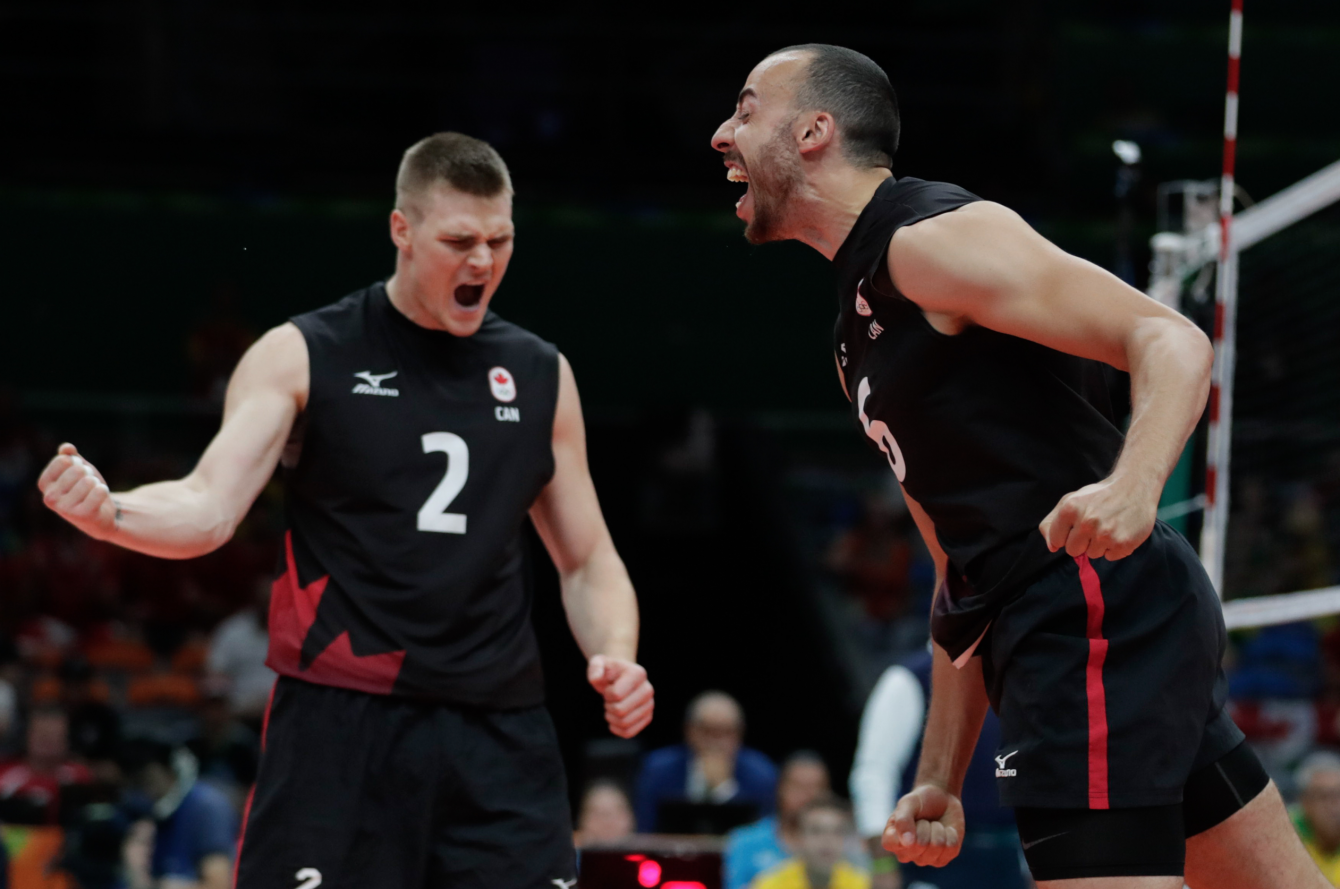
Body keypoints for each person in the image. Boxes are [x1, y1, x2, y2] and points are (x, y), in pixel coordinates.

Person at [710, 44, 1325, 888]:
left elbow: (1170, 337)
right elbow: (955, 573)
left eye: (746, 109)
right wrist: (939, 771)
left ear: (814, 131)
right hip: (1072, 627)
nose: (722, 133)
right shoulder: (855, 342)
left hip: (1088, 611)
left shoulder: (928, 239)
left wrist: (1135, 483)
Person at [37, 131, 654, 889]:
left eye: (500, 241)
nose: (483, 262)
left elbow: (587, 559)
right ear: (402, 229)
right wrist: (111, 514)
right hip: (342, 719)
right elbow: (208, 503)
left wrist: (616, 652)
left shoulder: (540, 373)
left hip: (499, 729)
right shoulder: (304, 353)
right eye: (459, 241)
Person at [851, 649, 1025, 889]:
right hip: (933, 856)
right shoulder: (910, 678)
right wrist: (882, 863)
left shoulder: (1011, 675)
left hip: (1007, 858)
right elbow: (875, 772)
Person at [635, 691, 776, 832]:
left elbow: (762, 833)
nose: (716, 742)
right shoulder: (658, 769)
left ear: (740, 733)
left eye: (726, 732)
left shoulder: (761, 774)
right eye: (708, 731)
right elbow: (644, 828)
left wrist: (722, 788)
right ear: (689, 730)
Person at [122, 739, 236, 889]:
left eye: (149, 780)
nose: (147, 793)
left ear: (170, 771)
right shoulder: (148, 811)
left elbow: (219, 885)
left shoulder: (207, 807)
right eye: (139, 784)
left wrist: (164, 886)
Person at [726, 751, 833, 889]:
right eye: (798, 786)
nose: (808, 795)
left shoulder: (842, 845)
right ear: (780, 788)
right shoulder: (744, 842)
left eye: (816, 787)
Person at [751, 797, 869, 889]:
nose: (827, 840)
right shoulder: (769, 885)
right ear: (797, 838)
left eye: (837, 832)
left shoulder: (863, 884)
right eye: (816, 831)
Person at [0, 706, 91, 824]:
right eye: (43, 736)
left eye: (55, 736)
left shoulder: (79, 776)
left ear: (67, 739)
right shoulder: (4, 774)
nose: (48, 742)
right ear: (27, 736)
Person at [205, 579, 276, 725]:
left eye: (271, 600)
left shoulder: (298, 632)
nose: (267, 606)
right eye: (263, 601)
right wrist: (221, 706)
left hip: (284, 712)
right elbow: (215, 672)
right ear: (254, 600)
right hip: (239, 713)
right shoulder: (232, 631)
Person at [1293, 751, 1340, 884]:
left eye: (1338, 795)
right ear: (1305, 802)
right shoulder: (1284, 834)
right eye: (1324, 796)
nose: (1335, 806)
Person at [574, 780, 636, 847]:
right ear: (581, 819)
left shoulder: (642, 848)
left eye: (616, 815)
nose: (607, 822)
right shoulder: (571, 847)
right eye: (597, 815)